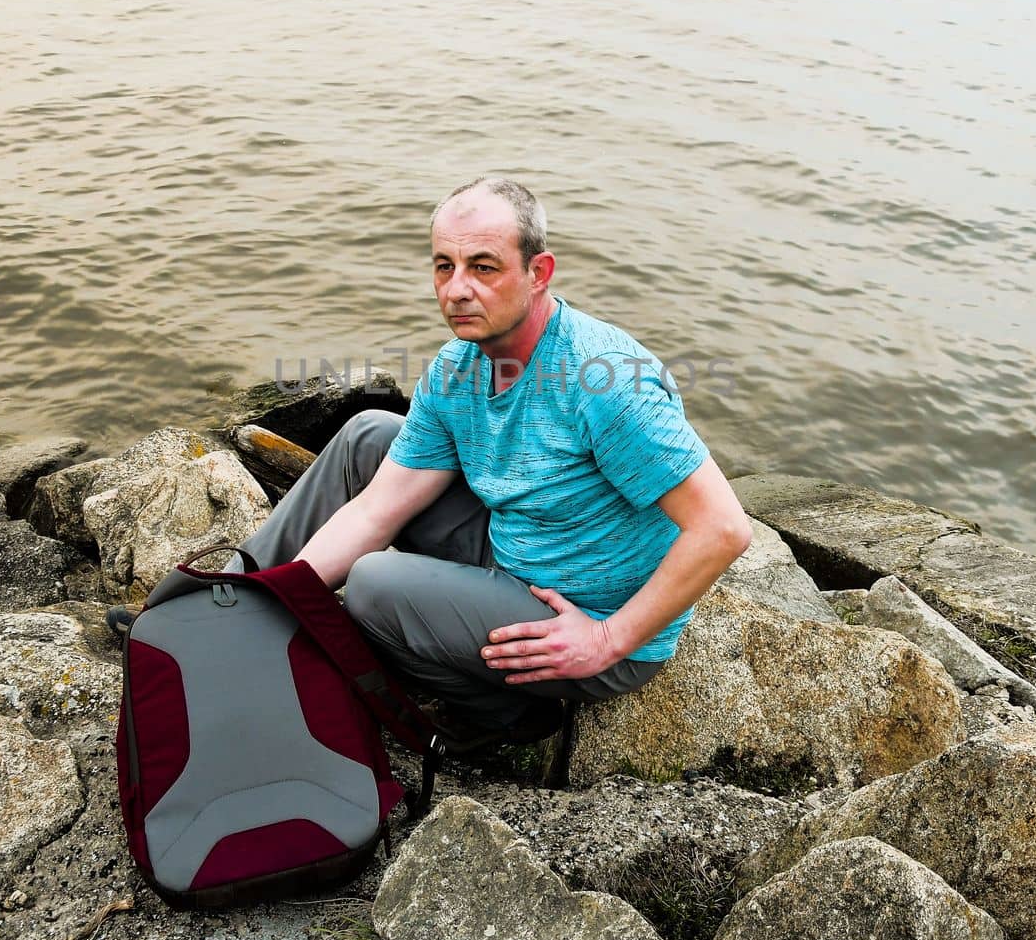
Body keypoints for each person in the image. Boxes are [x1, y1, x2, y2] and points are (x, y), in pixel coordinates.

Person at [239, 177, 753, 747]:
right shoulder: (454, 367)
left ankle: (503, 717)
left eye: (484, 267)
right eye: (443, 266)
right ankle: (234, 600)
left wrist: (608, 640)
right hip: (518, 548)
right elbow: (377, 509)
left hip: (581, 614)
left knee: (372, 586)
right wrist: (287, 595)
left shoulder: (604, 381)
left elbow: (724, 528)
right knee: (368, 437)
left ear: (539, 273)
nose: (457, 289)